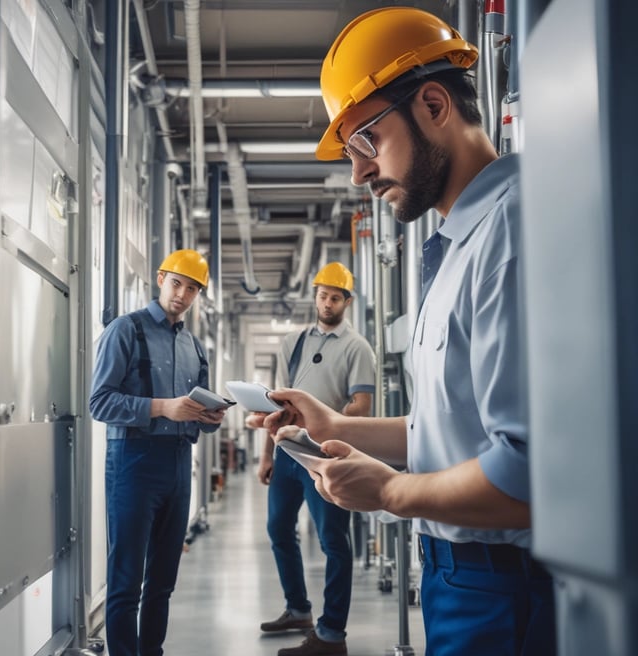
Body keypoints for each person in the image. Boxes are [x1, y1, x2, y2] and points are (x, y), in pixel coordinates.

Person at [259, 7, 556, 656]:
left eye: (367, 140)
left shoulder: (512, 230)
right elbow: (452, 433)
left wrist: (392, 491)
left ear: (432, 105)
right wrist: (336, 429)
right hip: (462, 578)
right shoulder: (453, 247)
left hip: (504, 589)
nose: (360, 173)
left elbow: (532, 471)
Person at [89, 249, 228, 656]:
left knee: (163, 578)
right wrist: (162, 407)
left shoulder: (194, 347)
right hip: (132, 462)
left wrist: (210, 417)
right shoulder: (124, 331)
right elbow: (100, 402)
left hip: (178, 463)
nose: (182, 295)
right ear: (160, 278)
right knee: (127, 578)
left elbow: (196, 413)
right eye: (176, 283)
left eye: (192, 289)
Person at [256, 262, 375, 656]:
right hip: (288, 450)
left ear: (347, 301)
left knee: (333, 542)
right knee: (278, 529)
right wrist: (267, 454)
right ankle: (298, 609)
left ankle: (331, 633)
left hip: (325, 454)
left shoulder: (358, 347)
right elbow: (277, 404)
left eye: (335, 297)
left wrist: (322, 421)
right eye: (322, 295)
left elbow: (362, 406)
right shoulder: (293, 343)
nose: (327, 303)